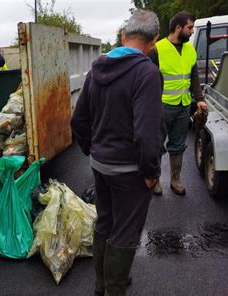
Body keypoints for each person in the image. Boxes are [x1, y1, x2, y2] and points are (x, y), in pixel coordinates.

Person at [71, 10, 163, 296]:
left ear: (124, 36)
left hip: (100, 166)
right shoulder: (147, 73)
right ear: (154, 41)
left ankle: (102, 285)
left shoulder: (96, 70)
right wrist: (151, 172)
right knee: (124, 232)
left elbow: (78, 120)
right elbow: (147, 132)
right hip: (129, 172)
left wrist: (92, 150)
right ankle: (114, 289)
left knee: (105, 222)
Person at [148, 11, 208, 196]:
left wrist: (199, 99)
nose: (192, 32)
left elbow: (194, 77)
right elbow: (148, 80)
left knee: (178, 144)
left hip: (183, 106)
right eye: (190, 28)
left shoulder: (190, 49)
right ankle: (155, 179)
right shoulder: (157, 50)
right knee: (157, 144)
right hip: (162, 106)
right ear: (178, 28)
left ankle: (175, 179)